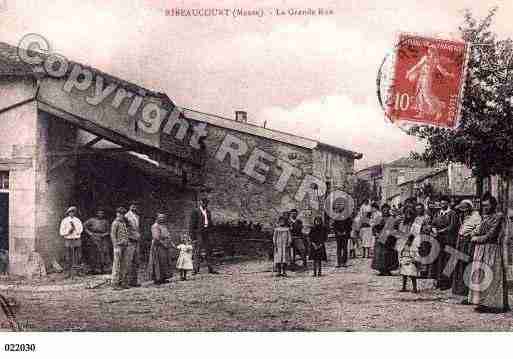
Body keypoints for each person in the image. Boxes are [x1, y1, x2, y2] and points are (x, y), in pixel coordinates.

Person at [469, 194, 510, 313]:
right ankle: (482, 302)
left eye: (487, 205)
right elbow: (474, 231)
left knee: (491, 274)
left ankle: (493, 304)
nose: (485, 208)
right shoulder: (484, 217)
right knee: (480, 275)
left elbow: (491, 235)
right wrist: (474, 235)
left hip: (491, 249)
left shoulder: (498, 217)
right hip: (480, 250)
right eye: (484, 206)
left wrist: (476, 238)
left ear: (493, 205)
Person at [452, 199, 481, 301]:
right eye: (463, 210)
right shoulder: (464, 218)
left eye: (465, 210)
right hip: (461, 242)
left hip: (467, 243)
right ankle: (460, 290)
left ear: (469, 209)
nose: (464, 212)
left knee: (467, 265)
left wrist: (470, 234)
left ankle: (467, 291)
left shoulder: (476, 217)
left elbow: (479, 228)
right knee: (459, 265)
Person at [430, 196, 460, 290]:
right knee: (440, 261)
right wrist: (433, 229)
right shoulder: (437, 213)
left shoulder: (452, 214)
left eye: (444, 203)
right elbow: (433, 223)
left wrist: (441, 231)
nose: (442, 205)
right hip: (439, 240)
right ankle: (439, 281)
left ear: (448, 203)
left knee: (448, 261)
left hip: (449, 240)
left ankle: (447, 283)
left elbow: (452, 227)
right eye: (441, 203)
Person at [190, 197, 218, 274]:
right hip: (198, 233)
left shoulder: (208, 212)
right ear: (200, 203)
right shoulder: (195, 211)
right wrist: (193, 237)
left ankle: (211, 268)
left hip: (206, 232)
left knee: (208, 250)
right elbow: (192, 225)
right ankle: (195, 269)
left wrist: (211, 232)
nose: (205, 205)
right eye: (204, 203)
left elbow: (210, 223)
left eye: (206, 203)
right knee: (197, 251)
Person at [371, 203, 399, 276]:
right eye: (384, 209)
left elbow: (396, 228)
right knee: (380, 254)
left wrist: (393, 233)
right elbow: (374, 228)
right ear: (382, 210)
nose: (385, 210)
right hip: (380, 238)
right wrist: (376, 234)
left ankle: (388, 269)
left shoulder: (392, 218)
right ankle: (381, 270)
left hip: (390, 239)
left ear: (389, 209)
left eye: (387, 209)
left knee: (389, 254)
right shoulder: (379, 218)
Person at [83, 208, 110, 274]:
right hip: (94, 238)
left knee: (104, 253)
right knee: (94, 253)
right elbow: (84, 226)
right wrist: (90, 233)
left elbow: (109, 230)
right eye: (99, 213)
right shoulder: (92, 220)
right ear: (96, 213)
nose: (100, 214)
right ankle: (95, 269)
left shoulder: (105, 221)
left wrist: (104, 234)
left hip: (103, 238)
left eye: (102, 213)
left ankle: (105, 269)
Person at [148, 213, 173, 285]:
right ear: (157, 218)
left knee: (164, 262)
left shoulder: (163, 226)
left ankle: (163, 277)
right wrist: (163, 244)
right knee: (158, 262)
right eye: (160, 217)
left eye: (163, 217)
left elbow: (167, 235)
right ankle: (157, 278)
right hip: (158, 246)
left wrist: (169, 243)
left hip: (164, 245)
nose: (162, 219)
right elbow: (156, 238)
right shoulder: (155, 226)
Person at [59, 206, 83, 277]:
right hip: (68, 240)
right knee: (68, 256)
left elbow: (81, 230)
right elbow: (61, 232)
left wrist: (75, 229)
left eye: (73, 212)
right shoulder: (64, 221)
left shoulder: (78, 220)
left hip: (76, 239)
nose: (72, 213)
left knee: (78, 256)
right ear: (68, 213)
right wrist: (68, 231)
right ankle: (68, 272)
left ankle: (78, 272)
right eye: (70, 212)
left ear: (74, 213)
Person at [110, 207, 130, 290]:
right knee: (116, 265)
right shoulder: (115, 223)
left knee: (124, 265)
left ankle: (123, 282)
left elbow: (126, 234)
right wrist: (115, 246)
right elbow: (113, 235)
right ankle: (115, 283)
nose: (121, 215)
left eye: (122, 214)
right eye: (119, 213)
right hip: (118, 246)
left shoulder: (123, 223)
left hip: (124, 245)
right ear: (117, 214)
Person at [411, 202, 432, 278]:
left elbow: (428, 228)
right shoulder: (416, 218)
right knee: (417, 254)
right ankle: (418, 271)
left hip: (424, 238)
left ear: (423, 209)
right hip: (417, 238)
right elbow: (413, 229)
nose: (418, 210)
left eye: (420, 209)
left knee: (424, 253)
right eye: (417, 209)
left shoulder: (426, 217)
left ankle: (424, 272)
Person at [125, 203, 141, 287]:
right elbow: (125, 229)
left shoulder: (137, 216)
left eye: (136, 206)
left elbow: (137, 229)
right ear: (129, 206)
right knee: (129, 261)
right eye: (132, 205)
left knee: (136, 261)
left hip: (136, 240)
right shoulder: (126, 216)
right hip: (130, 241)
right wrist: (129, 238)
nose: (134, 207)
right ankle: (126, 281)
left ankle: (134, 281)